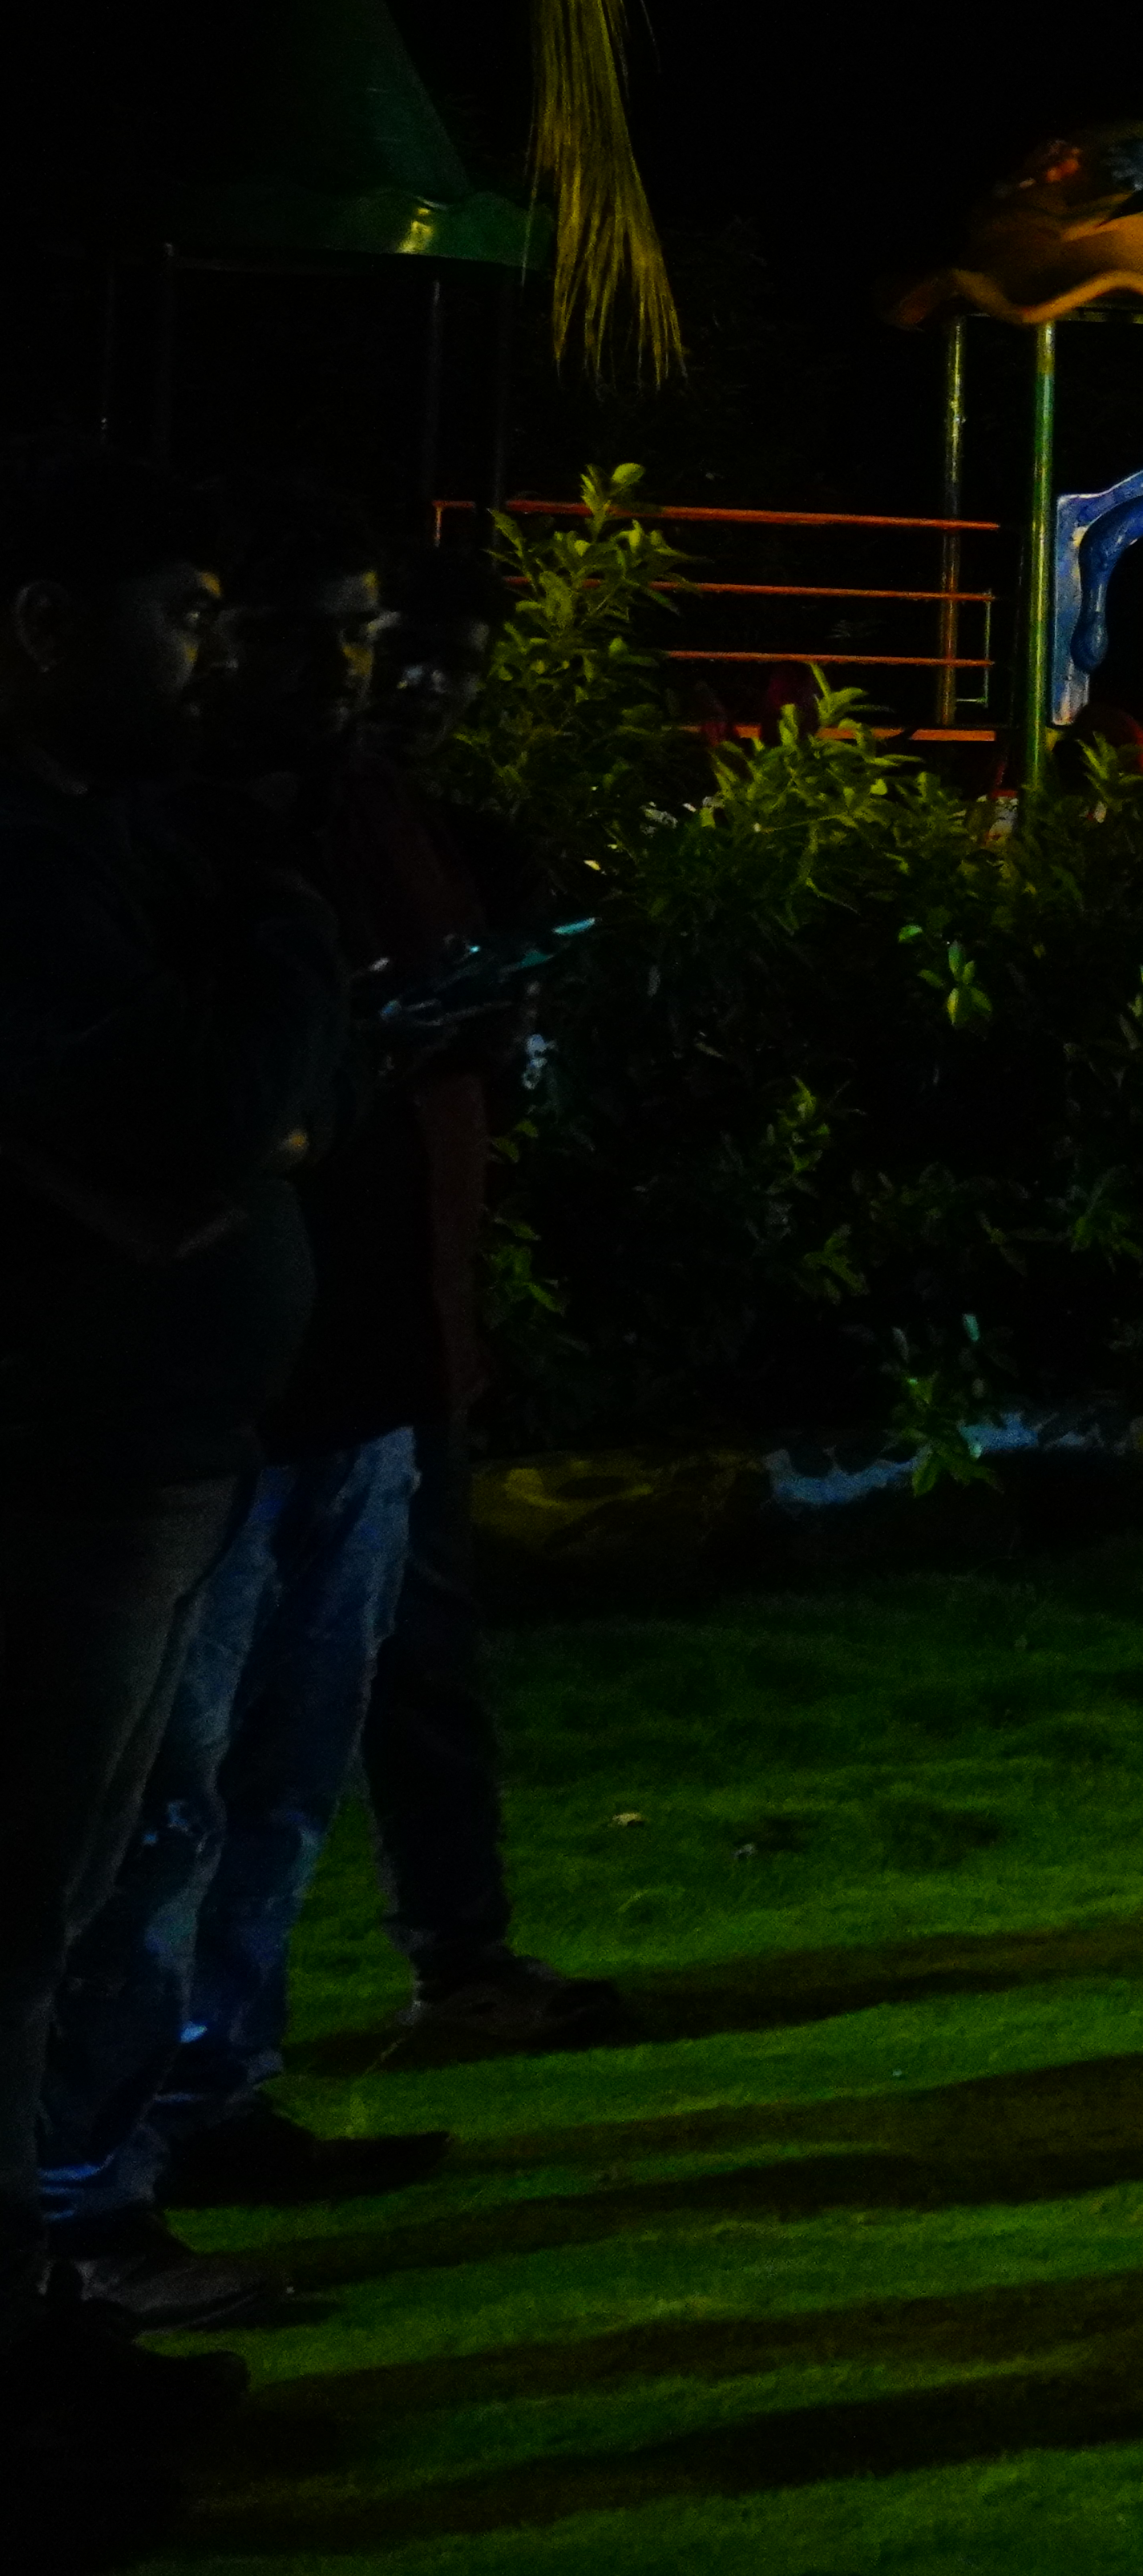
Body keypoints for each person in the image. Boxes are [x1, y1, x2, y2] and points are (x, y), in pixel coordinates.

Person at [0, 440, 337, 2509]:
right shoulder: (43, 869)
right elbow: (202, 1127)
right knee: (23, 1913)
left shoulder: (112, 843)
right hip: (70, 1457)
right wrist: (292, 951)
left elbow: (287, 1099)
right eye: (181, 613)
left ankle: (41, 2326)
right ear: (46, 626)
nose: (216, 655)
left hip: (152, 1449)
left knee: (63, 1897)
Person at [334, 541, 631, 2067]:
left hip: (413, 1317)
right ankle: (188, 2071)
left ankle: (457, 1956)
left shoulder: (452, 842)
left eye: (458, 661)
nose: (425, 686)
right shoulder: (268, 836)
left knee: (423, 1663)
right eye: (396, 647)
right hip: (304, 1336)